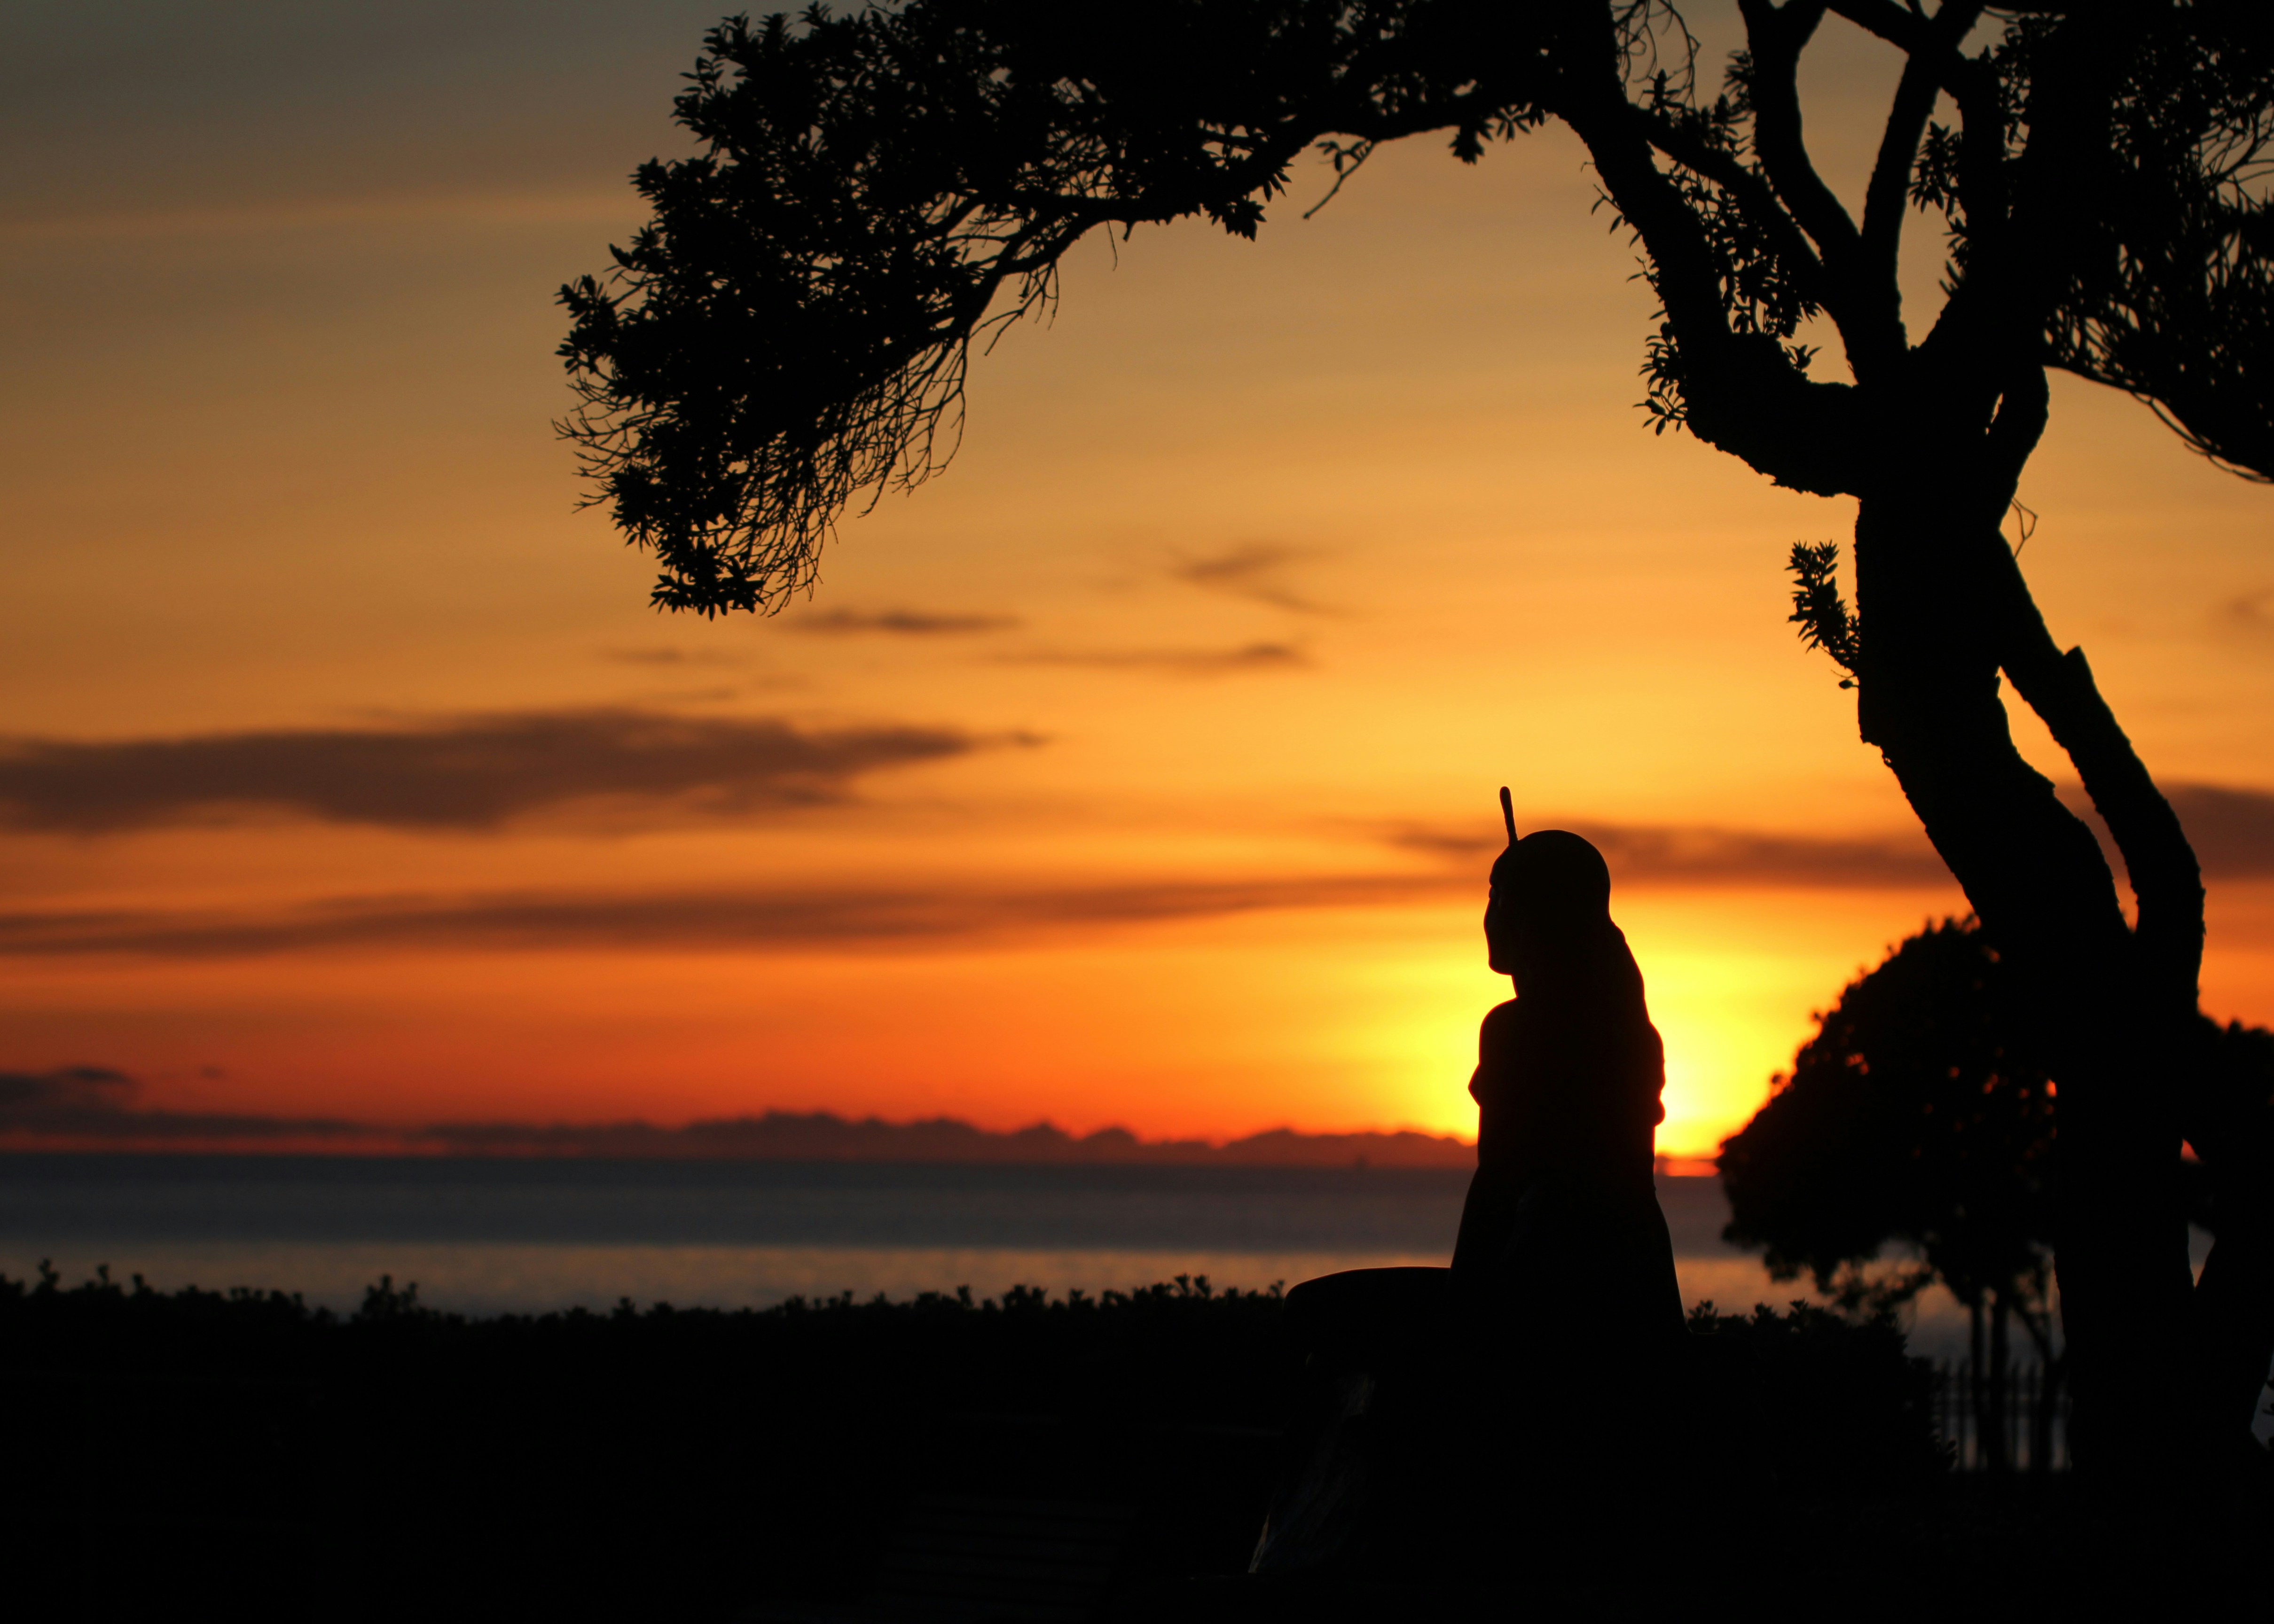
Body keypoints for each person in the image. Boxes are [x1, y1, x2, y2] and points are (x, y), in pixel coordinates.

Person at [1450, 824, 1686, 1390]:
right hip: (1636, 1266)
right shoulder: (1630, 1031)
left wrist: (1457, 1304)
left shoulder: (1512, 1031)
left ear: (1538, 913)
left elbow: (1497, 1183)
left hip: (1548, 1268)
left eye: (1497, 896)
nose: (1487, 916)